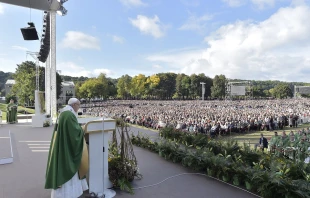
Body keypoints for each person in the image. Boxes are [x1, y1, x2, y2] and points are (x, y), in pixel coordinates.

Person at [45, 98, 89, 198]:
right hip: (67, 147)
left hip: (63, 143)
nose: (79, 107)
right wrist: (82, 129)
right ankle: (69, 194)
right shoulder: (69, 115)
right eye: (78, 105)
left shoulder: (64, 112)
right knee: (68, 166)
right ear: (74, 105)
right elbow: (74, 132)